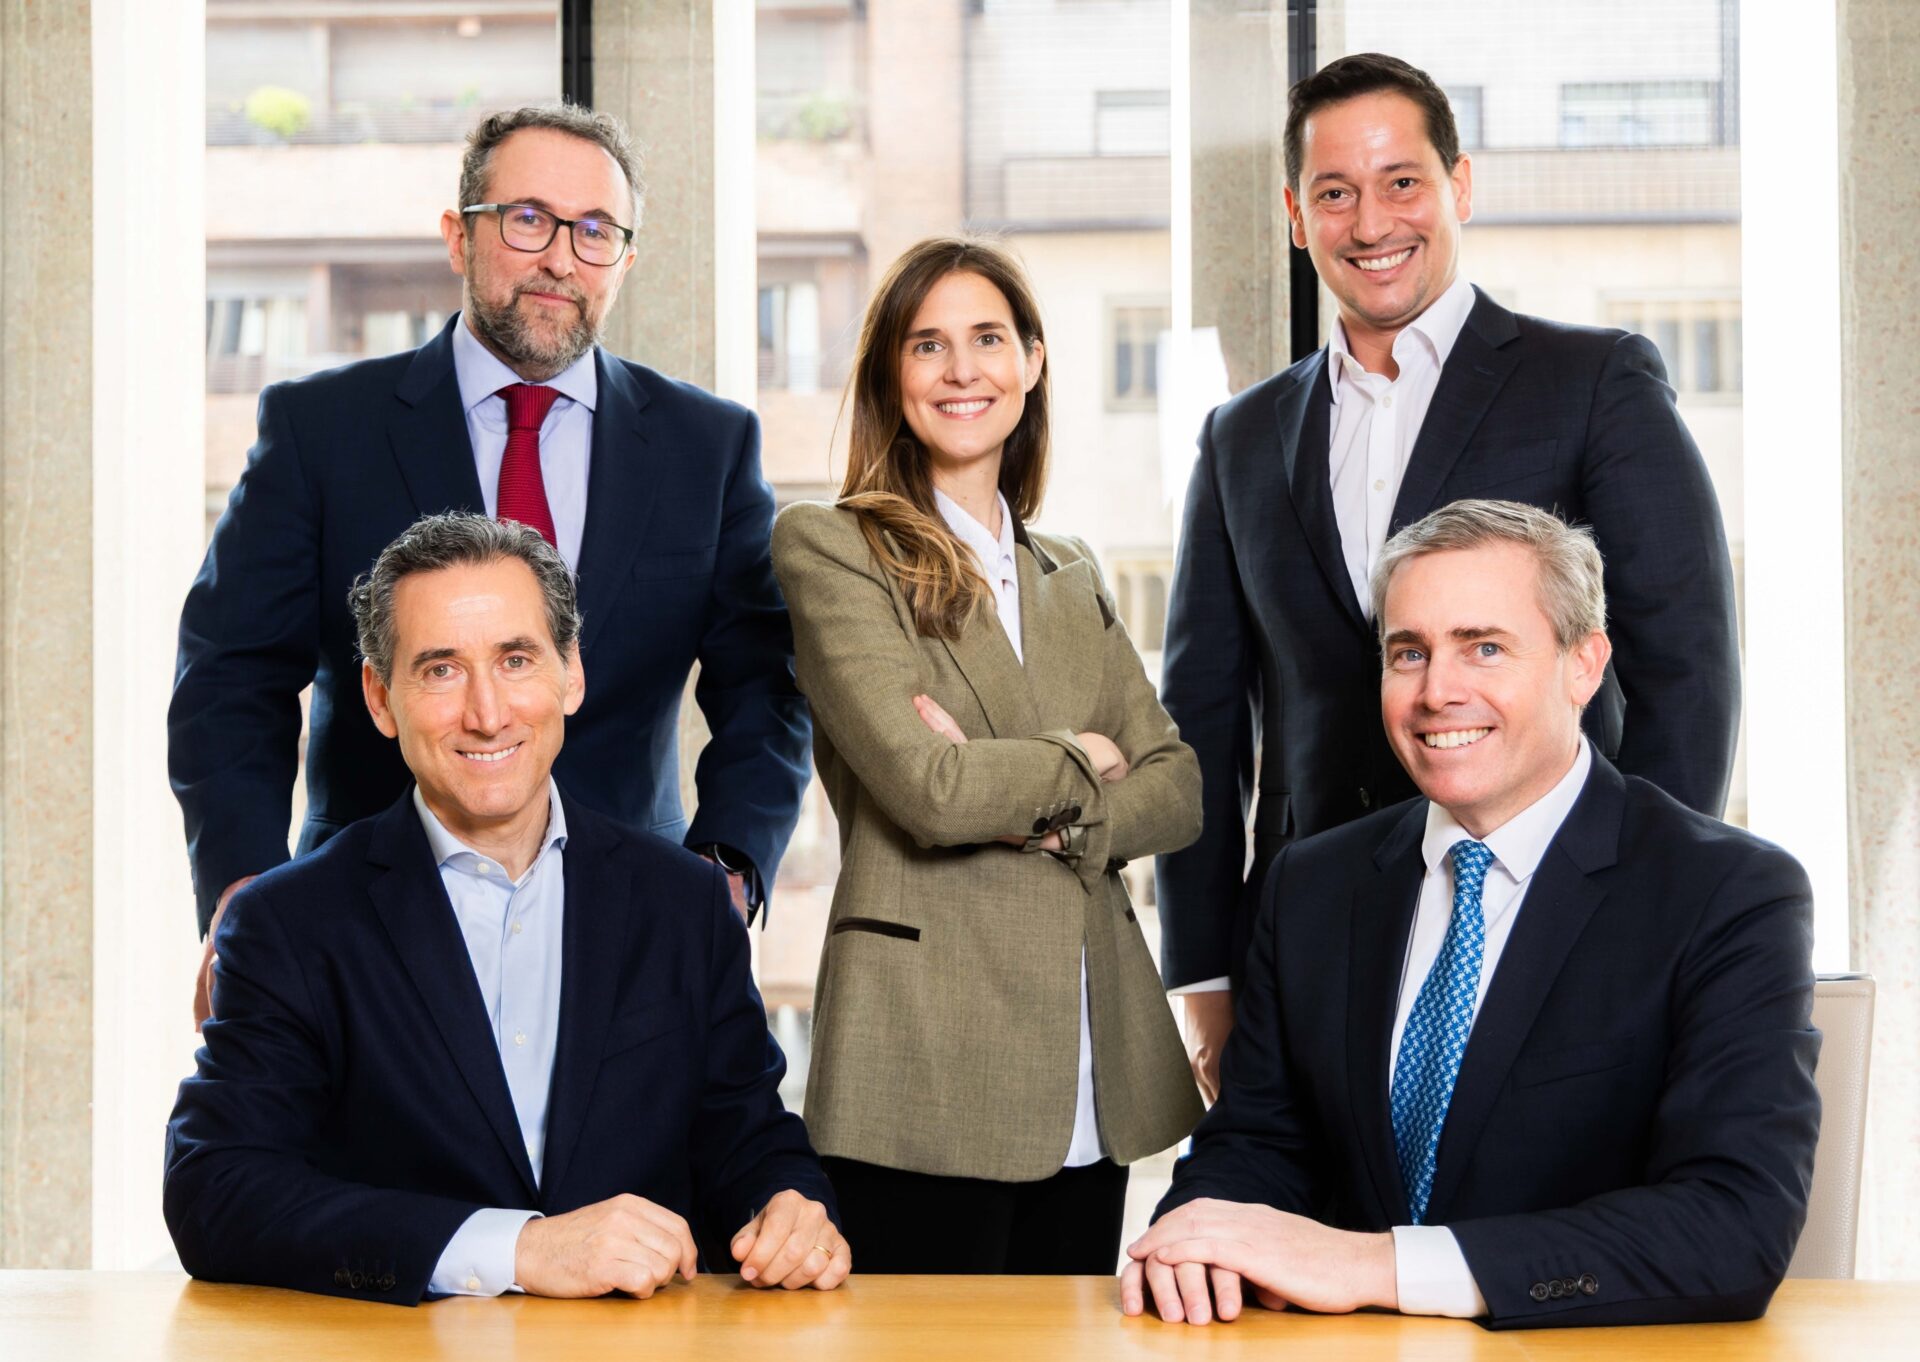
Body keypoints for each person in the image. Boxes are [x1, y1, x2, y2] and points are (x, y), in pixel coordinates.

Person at [1156, 53, 1742, 1099]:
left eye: (1402, 182)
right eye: (1335, 193)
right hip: (1312, 941)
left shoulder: (1593, 384)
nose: (1371, 222)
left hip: (1545, 913)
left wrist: (1636, 913)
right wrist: (1203, 969)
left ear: (1458, 187)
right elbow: (1201, 717)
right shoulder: (1241, 438)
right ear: (1296, 216)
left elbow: (1684, 670)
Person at [171, 104, 809, 1027]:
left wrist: (727, 873)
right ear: (458, 236)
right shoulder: (323, 432)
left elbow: (768, 689)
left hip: (631, 935)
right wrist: (246, 896)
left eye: (595, 231)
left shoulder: (706, 447)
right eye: (528, 219)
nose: (561, 258)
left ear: (625, 261)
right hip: (367, 932)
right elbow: (230, 677)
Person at [1122, 499, 1818, 1330]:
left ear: (1584, 665)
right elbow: (1257, 1146)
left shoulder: (1727, 893)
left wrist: (1375, 1266)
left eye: (1484, 647)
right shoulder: (1311, 886)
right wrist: (1196, 1243)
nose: (1437, 692)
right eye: (1408, 653)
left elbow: (1732, 1226)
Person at [164, 513, 847, 1304]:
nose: (487, 713)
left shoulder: (685, 904)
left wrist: (789, 1209)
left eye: (516, 660)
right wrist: (514, 1249)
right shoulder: (289, 924)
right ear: (381, 699)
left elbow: (750, 1140)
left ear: (571, 674)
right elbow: (216, 1190)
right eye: (441, 670)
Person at [770, 237, 1204, 1273]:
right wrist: (1085, 755)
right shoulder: (832, 546)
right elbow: (932, 789)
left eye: (988, 339)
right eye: (928, 345)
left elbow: (1179, 789)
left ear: (1034, 361)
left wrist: (1020, 790)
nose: (962, 370)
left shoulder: (1071, 569)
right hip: (926, 1048)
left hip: (1090, 1055)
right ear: (892, 374)